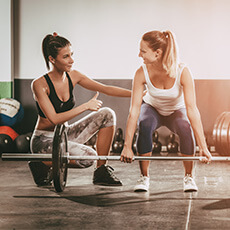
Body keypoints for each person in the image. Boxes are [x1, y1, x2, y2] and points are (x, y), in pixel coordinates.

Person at [29, 32, 131, 187]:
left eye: (71, 54)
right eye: (66, 57)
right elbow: (54, 119)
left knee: (107, 114)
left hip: (64, 135)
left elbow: (105, 88)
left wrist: (137, 94)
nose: (72, 60)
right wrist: (85, 106)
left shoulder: (73, 76)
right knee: (89, 157)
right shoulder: (39, 84)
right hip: (44, 140)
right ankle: (43, 164)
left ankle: (101, 171)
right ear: (52, 59)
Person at [120, 30, 212, 192]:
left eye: (143, 51)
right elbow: (134, 110)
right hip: (152, 108)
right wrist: (127, 146)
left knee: (185, 126)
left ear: (157, 53)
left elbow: (192, 109)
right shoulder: (141, 72)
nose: (139, 55)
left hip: (177, 110)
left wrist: (203, 146)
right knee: (145, 123)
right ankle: (144, 177)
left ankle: (189, 177)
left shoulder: (182, 71)